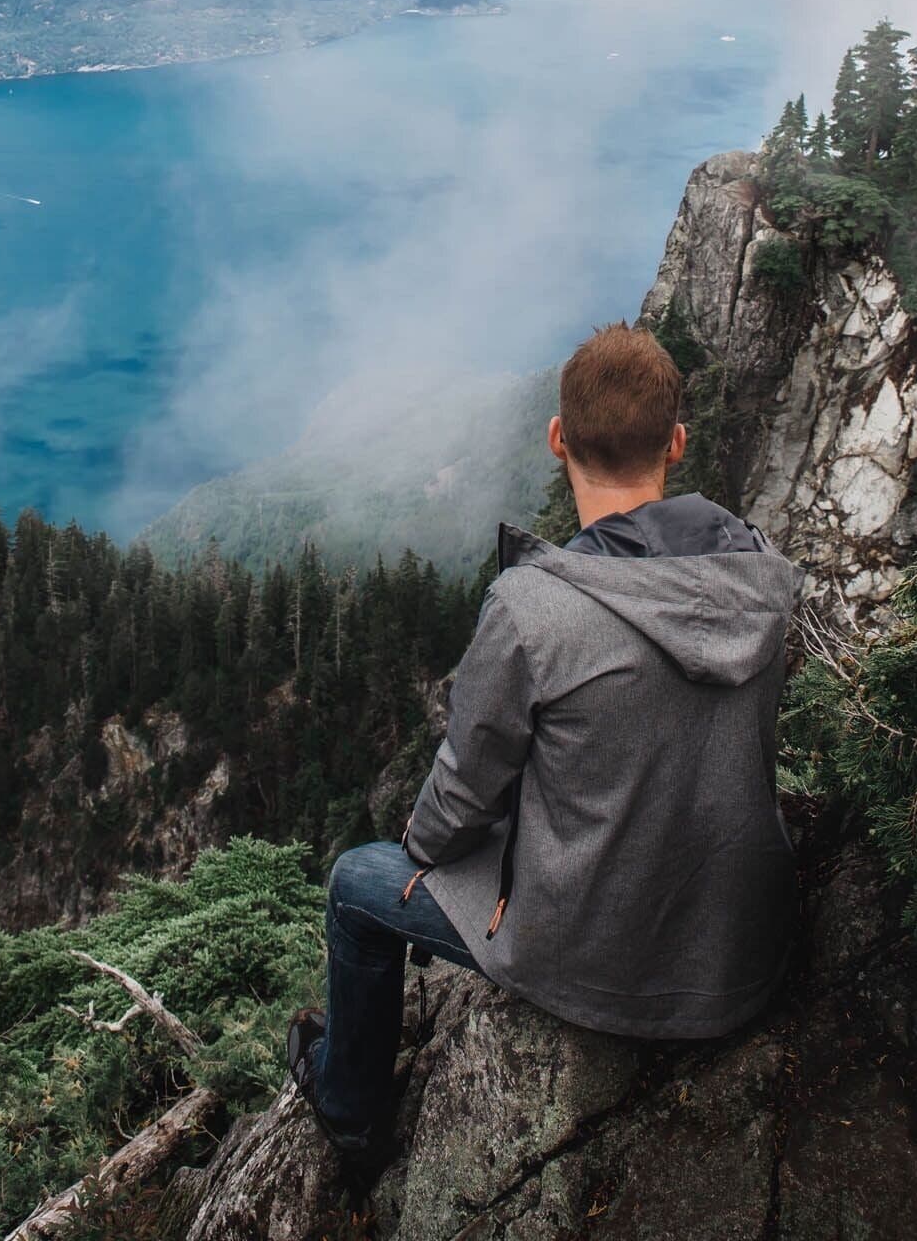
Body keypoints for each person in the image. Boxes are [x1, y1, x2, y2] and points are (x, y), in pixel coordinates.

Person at [287, 320, 803, 1160]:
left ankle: (347, 1112)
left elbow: (463, 792)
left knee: (355, 885)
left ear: (557, 437)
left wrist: (423, 851)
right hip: (737, 950)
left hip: (596, 962)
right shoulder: (763, 579)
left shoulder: (534, 609)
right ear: (675, 443)